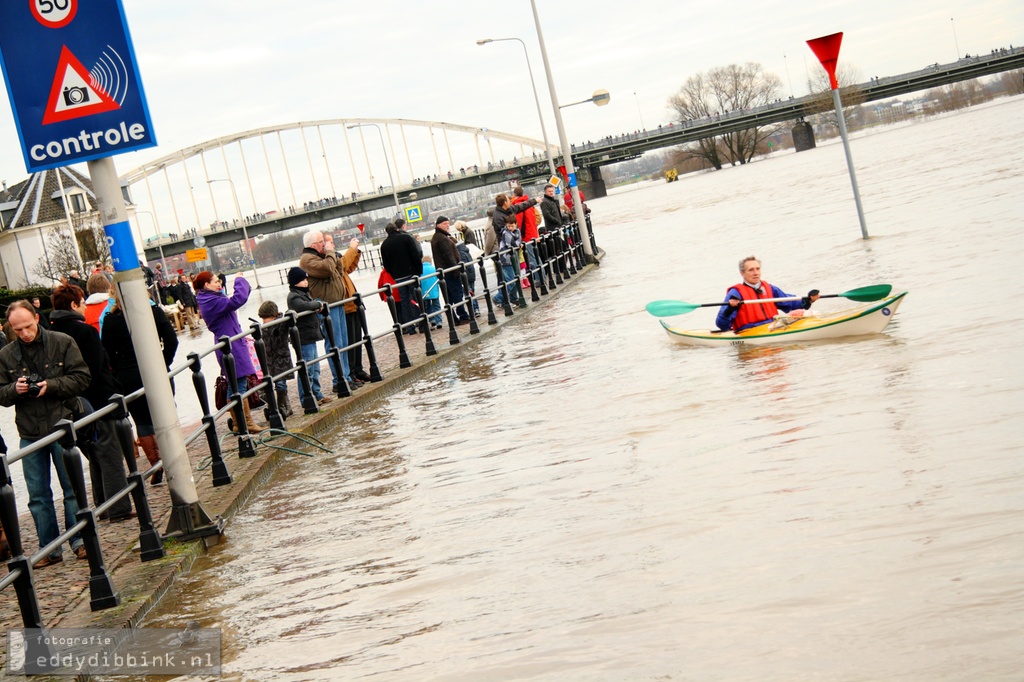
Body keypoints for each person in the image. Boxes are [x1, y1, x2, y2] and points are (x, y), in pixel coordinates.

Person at [0, 300, 91, 567]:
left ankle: (79, 541)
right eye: (18, 330)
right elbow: (1, 394)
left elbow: (82, 378)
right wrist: (13, 390)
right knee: (37, 495)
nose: (25, 333)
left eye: (27, 326)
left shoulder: (62, 342)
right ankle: (49, 548)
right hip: (29, 431)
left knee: (71, 487)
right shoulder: (6, 355)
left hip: (61, 424)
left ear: (37, 318)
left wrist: (50, 385)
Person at [48, 285, 133, 521]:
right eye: (82, 303)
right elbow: (96, 368)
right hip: (98, 399)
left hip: (70, 404)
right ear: (74, 305)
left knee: (94, 454)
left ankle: (103, 504)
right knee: (110, 452)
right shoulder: (85, 332)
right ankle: (119, 507)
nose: (85, 307)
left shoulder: (50, 335)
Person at [102, 290, 178, 484]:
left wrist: (119, 371)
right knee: (165, 415)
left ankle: (156, 463)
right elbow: (171, 340)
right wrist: (164, 362)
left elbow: (107, 354)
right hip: (155, 369)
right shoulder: (153, 312)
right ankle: (174, 461)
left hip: (128, 377)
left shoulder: (110, 320)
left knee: (142, 422)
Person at [193, 271, 266, 433]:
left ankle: (239, 423)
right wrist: (239, 279)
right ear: (206, 285)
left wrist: (241, 284)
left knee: (237, 383)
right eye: (215, 282)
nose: (219, 284)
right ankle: (245, 423)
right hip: (230, 346)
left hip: (231, 343)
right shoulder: (211, 301)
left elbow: (239, 299)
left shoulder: (210, 298)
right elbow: (237, 300)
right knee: (238, 384)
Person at [298, 230, 361, 392]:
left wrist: (332, 255)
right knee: (334, 343)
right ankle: (338, 379)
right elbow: (327, 269)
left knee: (343, 342)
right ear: (313, 245)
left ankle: (346, 376)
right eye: (321, 242)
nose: (324, 244)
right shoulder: (307, 260)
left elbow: (338, 270)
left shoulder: (324, 256)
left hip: (338, 303)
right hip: (327, 307)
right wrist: (331, 253)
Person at [715, 256, 819, 332]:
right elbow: (722, 325)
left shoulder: (769, 288)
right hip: (749, 332)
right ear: (742, 273)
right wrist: (730, 308)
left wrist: (808, 300)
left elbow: (790, 303)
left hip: (771, 327)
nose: (756, 273)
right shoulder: (735, 293)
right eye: (751, 270)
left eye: (758, 269)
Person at [286, 267, 331, 413]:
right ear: (296, 282)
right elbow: (303, 306)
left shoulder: (303, 293)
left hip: (311, 336)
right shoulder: (293, 296)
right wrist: (318, 304)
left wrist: (317, 305)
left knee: (315, 367)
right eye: (303, 279)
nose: (306, 281)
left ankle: (317, 394)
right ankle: (306, 398)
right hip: (304, 338)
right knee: (306, 369)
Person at [379, 220, 424, 334]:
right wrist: (419, 270)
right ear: (397, 229)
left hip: (398, 277)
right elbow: (415, 255)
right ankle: (422, 323)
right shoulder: (406, 238)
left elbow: (386, 264)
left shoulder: (384, 245)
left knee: (404, 302)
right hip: (411, 273)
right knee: (416, 298)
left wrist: (394, 274)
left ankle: (410, 328)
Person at [339, 237, 372, 383]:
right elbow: (342, 265)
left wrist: (356, 252)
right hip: (346, 307)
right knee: (350, 341)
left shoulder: (338, 264)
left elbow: (349, 267)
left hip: (353, 305)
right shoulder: (330, 264)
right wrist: (351, 249)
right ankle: (351, 371)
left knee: (357, 340)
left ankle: (357, 369)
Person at [430, 216, 471, 325]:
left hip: (443, 272)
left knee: (448, 297)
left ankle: (453, 318)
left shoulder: (436, 237)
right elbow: (449, 256)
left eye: (448, 223)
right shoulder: (442, 238)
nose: (447, 225)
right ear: (438, 225)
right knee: (457, 294)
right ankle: (463, 316)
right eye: (444, 223)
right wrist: (457, 270)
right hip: (450, 272)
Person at [257, 300, 294, 419]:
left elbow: (289, 319)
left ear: (273, 315)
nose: (264, 321)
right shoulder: (263, 327)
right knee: (263, 388)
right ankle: (278, 406)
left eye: (266, 318)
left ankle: (281, 407)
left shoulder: (281, 324)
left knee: (280, 384)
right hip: (269, 361)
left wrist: (290, 314)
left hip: (281, 359)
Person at [492, 214, 526, 308]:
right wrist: (519, 244)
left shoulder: (517, 231)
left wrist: (518, 243)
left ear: (516, 224)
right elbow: (510, 243)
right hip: (506, 258)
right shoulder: (505, 232)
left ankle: (513, 298)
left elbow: (519, 240)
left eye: (512, 225)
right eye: (508, 225)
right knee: (511, 280)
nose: (510, 227)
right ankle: (498, 298)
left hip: (514, 257)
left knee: (516, 278)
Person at [512, 186, 540, 282]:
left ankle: (539, 280)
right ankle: (541, 278)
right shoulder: (529, 205)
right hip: (533, 233)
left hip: (526, 236)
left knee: (532, 258)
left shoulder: (519, 206)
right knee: (536, 256)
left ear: (514, 194)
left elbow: (518, 224)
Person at [420, 256, 443, 330]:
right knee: (436, 305)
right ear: (430, 262)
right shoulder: (433, 268)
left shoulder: (420, 270)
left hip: (425, 292)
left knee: (428, 306)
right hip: (433, 290)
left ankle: (432, 320)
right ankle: (439, 320)